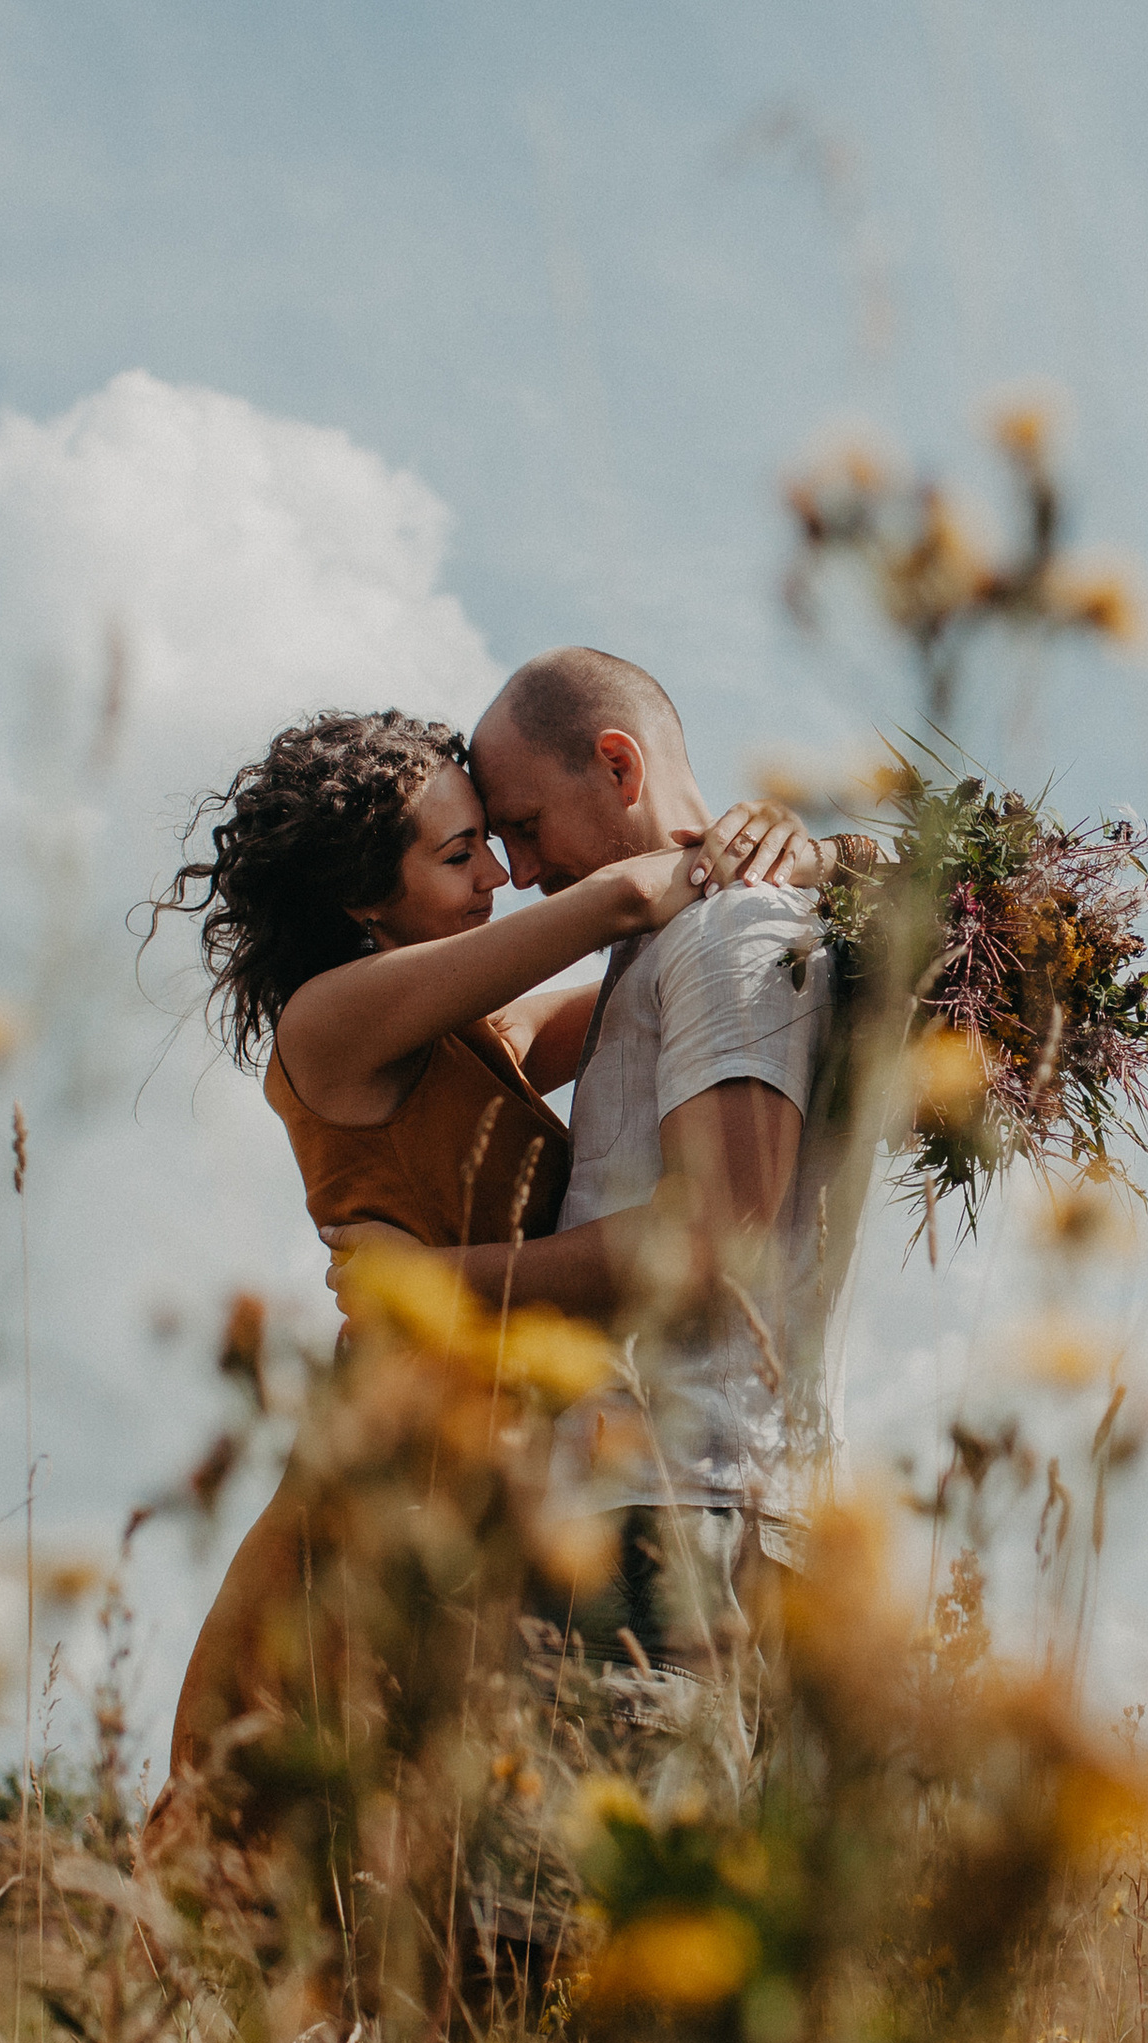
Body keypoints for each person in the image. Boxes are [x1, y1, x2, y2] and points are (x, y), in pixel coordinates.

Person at [145, 705, 832, 1838]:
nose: (500, 880)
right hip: (401, 1471)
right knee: (320, 1819)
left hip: (509, 1478)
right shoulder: (329, 1025)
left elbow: (634, 987)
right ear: (365, 900)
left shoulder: (477, 1036)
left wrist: (818, 854)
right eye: (462, 854)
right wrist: (746, 842)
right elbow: (621, 901)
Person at [324, 649, 876, 1799]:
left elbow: (714, 1242)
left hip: (667, 1512)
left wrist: (428, 1285)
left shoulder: (729, 934)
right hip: (679, 1507)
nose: (520, 875)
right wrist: (849, 855)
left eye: (520, 828)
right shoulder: (674, 939)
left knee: (574, 1954)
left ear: (617, 764)